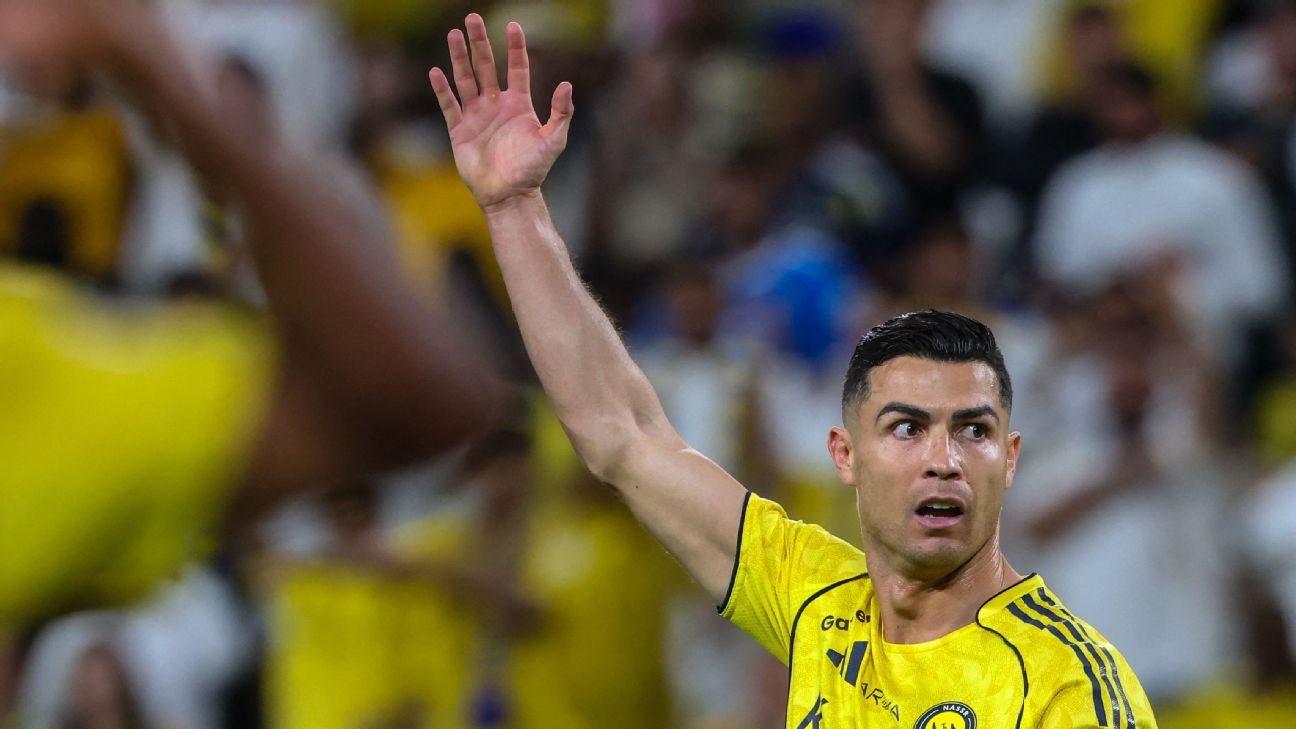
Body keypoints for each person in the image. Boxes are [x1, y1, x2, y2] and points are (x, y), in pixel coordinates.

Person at [428, 14, 1157, 727]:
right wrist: (513, 208)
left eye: (973, 430)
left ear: (1012, 458)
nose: (944, 460)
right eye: (907, 427)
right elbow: (622, 435)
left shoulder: (1068, 688)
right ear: (845, 454)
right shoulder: (813, 596)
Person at [0, 0, 501, 648]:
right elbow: (424, 403)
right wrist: (158, 74)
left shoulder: (26, 370)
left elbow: (420, 406)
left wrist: (172, 86)